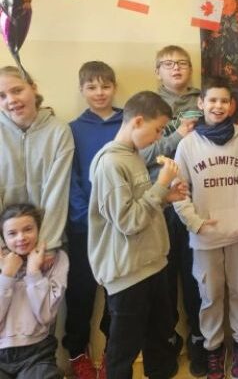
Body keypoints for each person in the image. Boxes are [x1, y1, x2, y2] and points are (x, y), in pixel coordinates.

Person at [87, 91, 188, 379]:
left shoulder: (133, 155)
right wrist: (161, 185)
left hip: (152, 264)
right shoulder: (110, 163)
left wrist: (165, 197)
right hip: (128, 273)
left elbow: (139, 204)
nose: (159, 137)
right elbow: (129, 221)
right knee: (124, 351)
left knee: (160, 340)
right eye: (158, 130)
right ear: (138, 121)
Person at [173, 76, 238, 379]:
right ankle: (214, 349)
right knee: (211, 294)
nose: (218, 106)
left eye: (224, 101)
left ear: (231, 105)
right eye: (212, 100)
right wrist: (194, 222)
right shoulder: (187, 145)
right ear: (201, 103)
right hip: (204, 235)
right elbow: (178, 192)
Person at [144, 44, 205, 376]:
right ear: (158, 71)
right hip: (161, 203)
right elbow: (142, 153)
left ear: (191, 69)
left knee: (196, 277)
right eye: (168, 64)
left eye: (182, 63)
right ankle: (167, 341)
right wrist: (178, 135)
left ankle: (199, 340)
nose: (176, 68)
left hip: (196, 199)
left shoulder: (203, 101)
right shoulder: (147, 105)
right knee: (163, 281)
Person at [64, 61, 119, 379]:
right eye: (92, 87)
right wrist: (86, 216)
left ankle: (113, 351)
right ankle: (77, 353)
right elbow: (70, 179)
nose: (99, 92)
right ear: (81, 89)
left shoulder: (129, 122)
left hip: (119, 227)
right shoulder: (72, 129)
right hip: (84, 227)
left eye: (105, 86)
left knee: (117, 295)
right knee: (80, 293)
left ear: (114, 87)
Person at [0, 66, 73, 254]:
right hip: (6, 245)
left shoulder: (59, 131)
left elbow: (57, 192)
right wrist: (3, 248)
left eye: (17, 90)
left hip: (48, 242)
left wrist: (47, 245)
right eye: (2, 96)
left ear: (33, 88)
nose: (11, 100)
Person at [0, 203, 69, 379]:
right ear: (3, 237)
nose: (21, 238)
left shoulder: (57, 259)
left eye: (28, 229)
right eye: (12, 233)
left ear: (39, 229)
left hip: (37, 353)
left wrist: (33, 272)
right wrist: (7, 275)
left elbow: (46, 316)